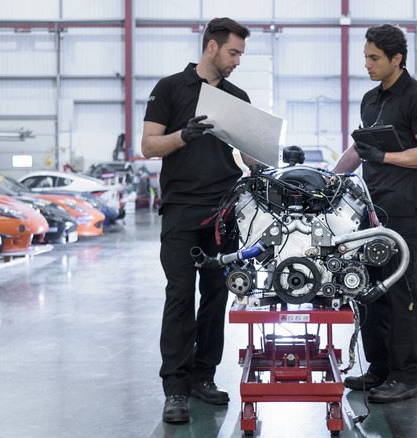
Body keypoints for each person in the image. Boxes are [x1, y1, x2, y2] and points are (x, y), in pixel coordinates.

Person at [141, 17, 258, 423]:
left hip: (223, 211)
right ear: (211, 47)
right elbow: (148, 146)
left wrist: (266, 152)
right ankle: (175, 387)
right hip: (181, 210)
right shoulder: (170, 88)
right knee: (179, 296)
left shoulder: (236, 95)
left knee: (215, 296)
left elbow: (248, 156)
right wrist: (184, 136)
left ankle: (203, 376)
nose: (237, 61)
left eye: (240, 54)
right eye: (233, 52)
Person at [332, 24, 417, 403]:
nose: (367, 64)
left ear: (397, 58)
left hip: (403, 211)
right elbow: (359, 149)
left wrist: (387, 157)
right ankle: (379, 367)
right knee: (370, 290)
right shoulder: (370, 99)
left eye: (374, 58)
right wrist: (328, 180)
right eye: (365, 56)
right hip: (371, 211)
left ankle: (405, 375)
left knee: (402, 291)